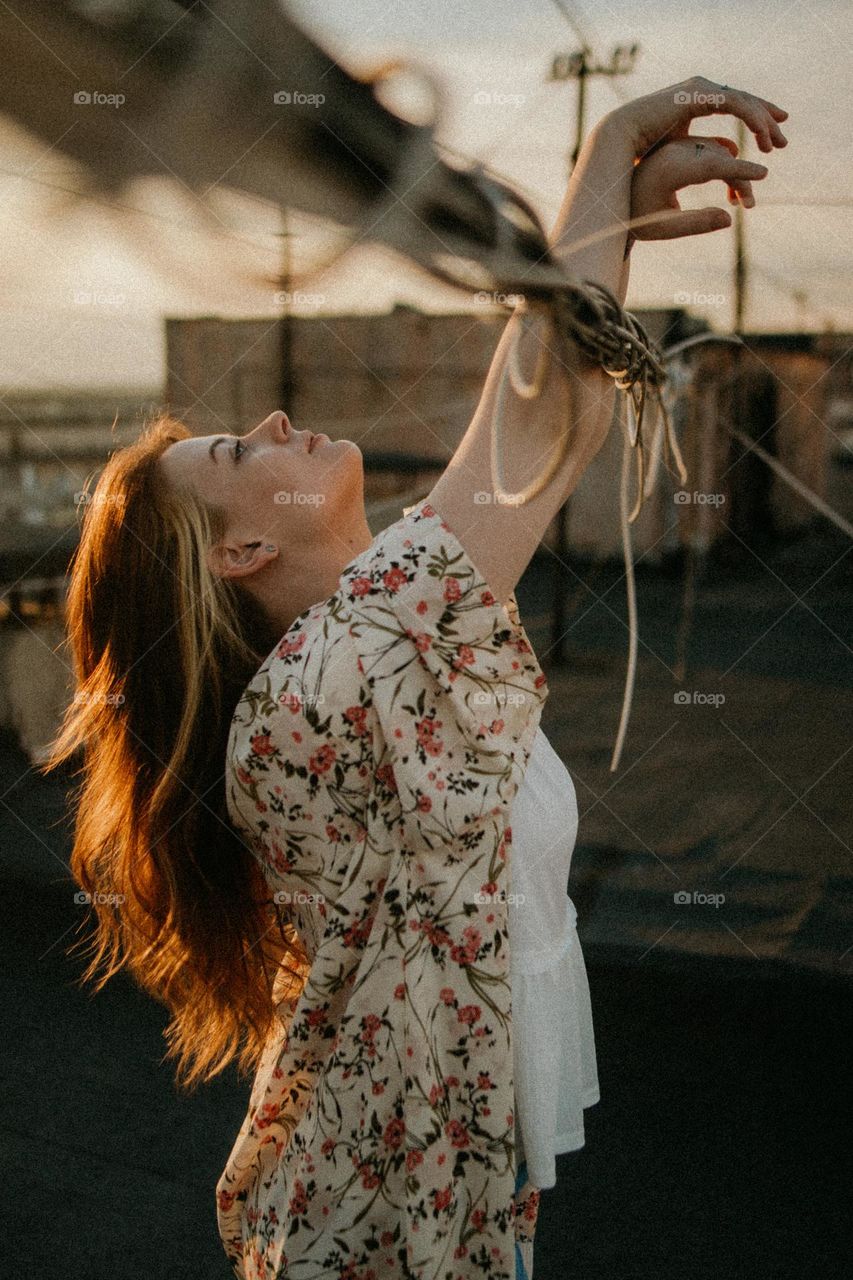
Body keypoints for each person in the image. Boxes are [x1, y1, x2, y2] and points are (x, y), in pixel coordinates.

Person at [45, 77, 787, 1280]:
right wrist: (606, 149)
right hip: (376, 1230)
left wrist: (610, 218)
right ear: (241, 550)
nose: (278, 418)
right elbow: (530, 439)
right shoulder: (325, 688)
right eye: (242, 449)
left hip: (416, 1192)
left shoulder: (372, 635)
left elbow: (559, 421)